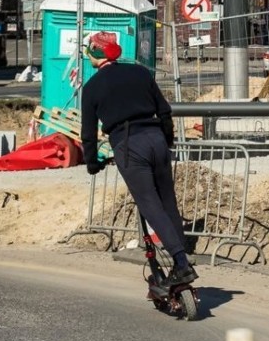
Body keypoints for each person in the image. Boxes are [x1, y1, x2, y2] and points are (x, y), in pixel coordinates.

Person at [80, 32, 197, 287]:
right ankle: (183, 258)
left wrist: (92, 163)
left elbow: (88, 134)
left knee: (149, 205)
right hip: (156, 138)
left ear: (95, 54)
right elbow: (164, 110)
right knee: (168, 201)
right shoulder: (140, 73)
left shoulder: (91, 88)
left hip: (128, 144)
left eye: (87, 50)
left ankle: (181, 263)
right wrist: (166, 141)